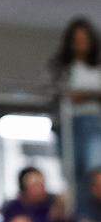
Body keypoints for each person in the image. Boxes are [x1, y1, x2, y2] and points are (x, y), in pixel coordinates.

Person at [51, 17, 100, 214]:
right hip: (68, 123)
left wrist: (85, 95)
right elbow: (53, 93)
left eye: (84, 39)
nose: (81, 44)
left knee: (93, 171)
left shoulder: (97, 67)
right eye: (77, 40)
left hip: (94, 122)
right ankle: (82, 215)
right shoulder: (61, 67)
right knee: (74, 174)